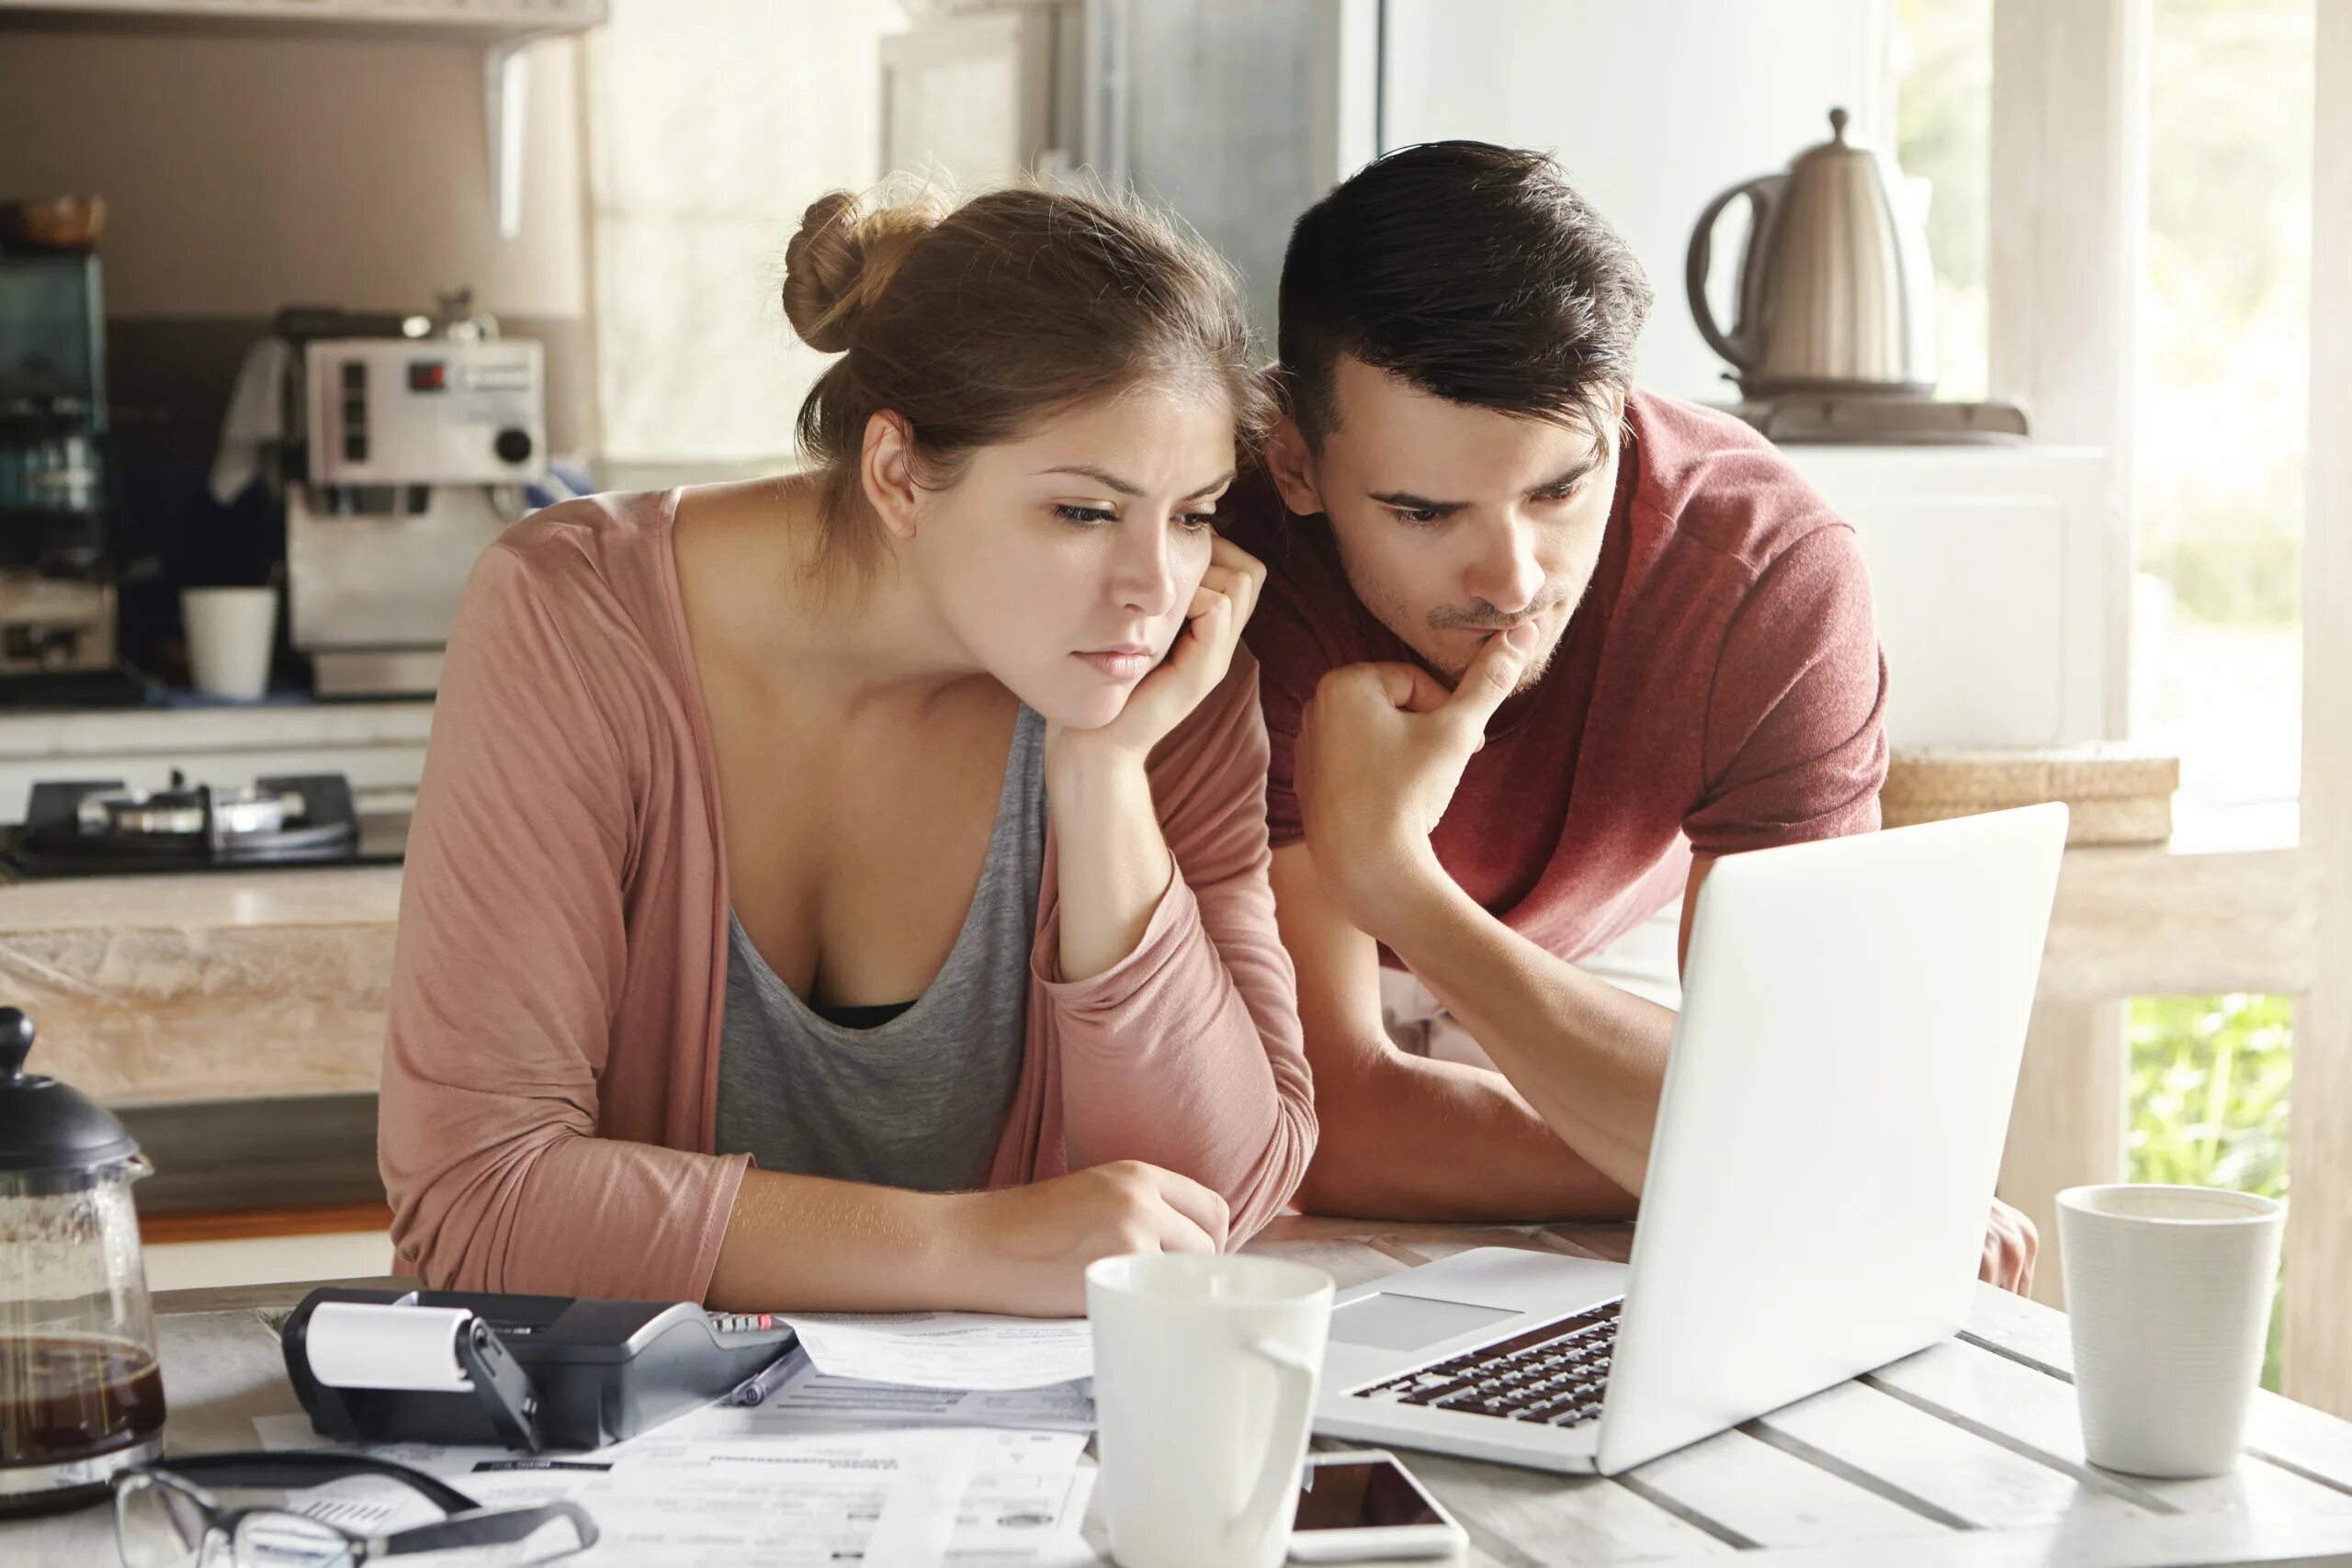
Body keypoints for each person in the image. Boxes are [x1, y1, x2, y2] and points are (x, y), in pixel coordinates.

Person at [379, 182, 1316, 1316]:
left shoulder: (1167, 685)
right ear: (895, 474)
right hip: (614, 1460)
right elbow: (476, 1200)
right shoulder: (578, 617)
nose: (1152, 588)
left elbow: (1223, 1197)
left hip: (1010, 1470)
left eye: (1193, 514)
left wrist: (1106, 781)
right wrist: (971, 1247)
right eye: (1082, 512)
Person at [1227, 141, 2038, 1293]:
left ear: (1619, 410)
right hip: (1300, 979)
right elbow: (1343, 1131)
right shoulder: (1239, 568)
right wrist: (1808, 1169)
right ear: (1297, 464)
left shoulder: (1766, 572)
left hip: (1611, 946)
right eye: (1422, 511)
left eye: (1559, 488)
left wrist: (1396, 878)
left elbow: (1781, 1077)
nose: (1509, 578)